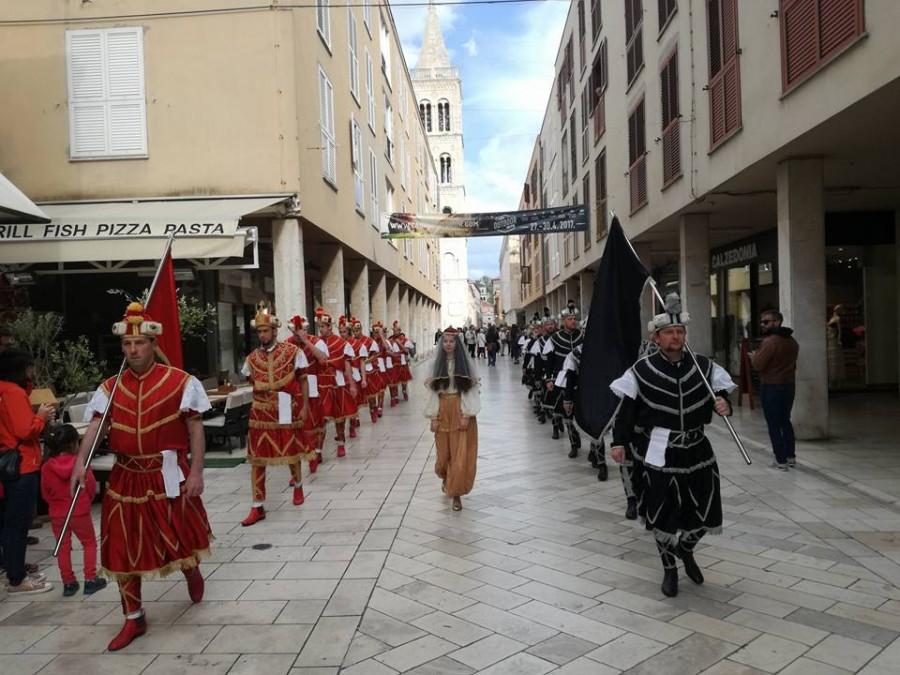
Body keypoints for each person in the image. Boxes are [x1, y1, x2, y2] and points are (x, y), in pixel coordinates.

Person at [74, 302, 212, 650]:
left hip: (167, 472)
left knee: (177, 535)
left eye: (139, 344)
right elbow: (96, 425)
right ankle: (133, 618)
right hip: (125, 476)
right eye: (127, 345)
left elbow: (195, 427)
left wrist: (195, 471)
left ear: (153, 345)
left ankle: (189, 568)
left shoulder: (181, 381)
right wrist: (81, 463)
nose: (132, 350)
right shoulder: (110, 386)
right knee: (120, 546)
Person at [609, 294, 735, 598]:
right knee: (663, 512)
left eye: (680, 332)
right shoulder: (641, 370)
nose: (675, 337)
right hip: (659, 449)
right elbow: (626, 410)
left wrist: (724, 403)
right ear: (657, 337)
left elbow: (722, 395)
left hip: (698, 449)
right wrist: (619, 442)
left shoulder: (704, 368)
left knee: (705, 510)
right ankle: (669, 568)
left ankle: (685, 548)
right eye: (669, 333)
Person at [241, 302, 311, 527]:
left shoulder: (293, 352)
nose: (262, 335)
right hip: (260, 412)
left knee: (291, 451)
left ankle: (298, 487)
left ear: (274, 331)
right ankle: (257, 505)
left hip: (285, 406)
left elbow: (302, 379)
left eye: (265, 331)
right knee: (257, 460)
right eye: (259, 331)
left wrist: (305, 405)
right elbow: (248, 380)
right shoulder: (251, 358)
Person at [0, 348, 55, 595]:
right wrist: (42, 417)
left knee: (8, 522)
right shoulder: (13, 393)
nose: (32, 371)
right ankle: (17, 579)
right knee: (18, 524)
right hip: (23, 464)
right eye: (29, 367)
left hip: (8, 463)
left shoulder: (4, 390)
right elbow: (25, 430)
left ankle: (12, 567)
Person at [41, 424, 107, 597]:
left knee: (63, 546)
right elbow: (91, 486)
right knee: (89, 543)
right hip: (79, 510)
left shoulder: (47, 466)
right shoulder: (80, 465)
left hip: (57, 512)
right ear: (73, 444)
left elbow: (45, 492)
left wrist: (54, 504)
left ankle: (68, 582)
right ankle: (91, 578)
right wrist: (86, 501)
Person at [424, 327, 481, 511]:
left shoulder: (465, 366)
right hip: (442, 411)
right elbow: (432, 394)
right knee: (443, 457)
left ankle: (456, 494)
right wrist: (433, 416)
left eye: (452, 341)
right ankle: (447, 478)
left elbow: (470, 391)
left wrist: (466, 414)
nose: (448, 344)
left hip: (460, 410)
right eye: (445, 341)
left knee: (459, 455)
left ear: (457, 344)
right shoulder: (433, 366)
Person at [751, 310, 799, 470]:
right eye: (762, 322)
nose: (762, 325)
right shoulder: (792, 341)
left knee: (773, 423)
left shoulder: (771, 342)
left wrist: (753, 356)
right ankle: (790, 456)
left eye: (766, 322)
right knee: (785, 420)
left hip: (771, 386)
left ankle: (780, 459)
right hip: (788, 385)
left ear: (777, 322)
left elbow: (758, 364)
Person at [541, 301, 584, 455]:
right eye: (570, 319)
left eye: (575, 318)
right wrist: (549, 379)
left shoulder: (583, 336)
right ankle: (573, 442)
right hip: (563, 379)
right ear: (563, 321)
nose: (573, 321)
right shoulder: (555, 338)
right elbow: (549, 362)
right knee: (566, 412)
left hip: (582, 380)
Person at [287, 315, 327, 472]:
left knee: (317, 423)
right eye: (295, 332)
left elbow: (323, 359)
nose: (297, 334)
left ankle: (316, 451)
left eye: (301, 331)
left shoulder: (317, 342)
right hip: (293, 390)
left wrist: (306, 342)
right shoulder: (287, 344)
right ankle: (300, 456)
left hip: (313, 387)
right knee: (296, 426)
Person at [316, 308, 358, 457]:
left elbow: (347, 364)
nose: (320, 329)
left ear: (329, 327)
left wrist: (351, 384)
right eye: (319, 326)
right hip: (321, 384)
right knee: (321, 417)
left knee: (339, 416)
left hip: (338, 382)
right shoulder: (316, 342)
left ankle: (341, 443)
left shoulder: (341, 343)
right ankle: (318, 450)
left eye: (323, 326)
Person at [340, 316, 367, 438]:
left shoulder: (358, 345)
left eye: (344, 331)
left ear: (349, 332)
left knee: (352, 402)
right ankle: (341, 430)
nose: (342, 334)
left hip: (354, 375)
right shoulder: (337, 343)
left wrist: (364, 379)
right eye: (340, 332)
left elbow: (361, 362)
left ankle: (351, 425)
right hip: (340, 376)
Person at [353, 318, 383, 424]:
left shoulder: (369, 341)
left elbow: (375, 355)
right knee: (355, 396)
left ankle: (373, 411)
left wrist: (365, 362)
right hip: (356, 371)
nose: (356, 333)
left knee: (371, 395)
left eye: (357, 330)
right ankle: (356, 419)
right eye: (354, 331)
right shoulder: (352, 342)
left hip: (368, 370)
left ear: (361, 329)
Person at [390, 321, 413, 402]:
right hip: (393, 363)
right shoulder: (390, 339)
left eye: (396, 330)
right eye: (393, 330)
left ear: (400, 331)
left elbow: (407, 351)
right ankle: (395, 396)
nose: (394, 332)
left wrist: (399, 344)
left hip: (402, 362)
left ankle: (404, 391)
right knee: (394, 380)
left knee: (404, 381)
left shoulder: (405, 340)